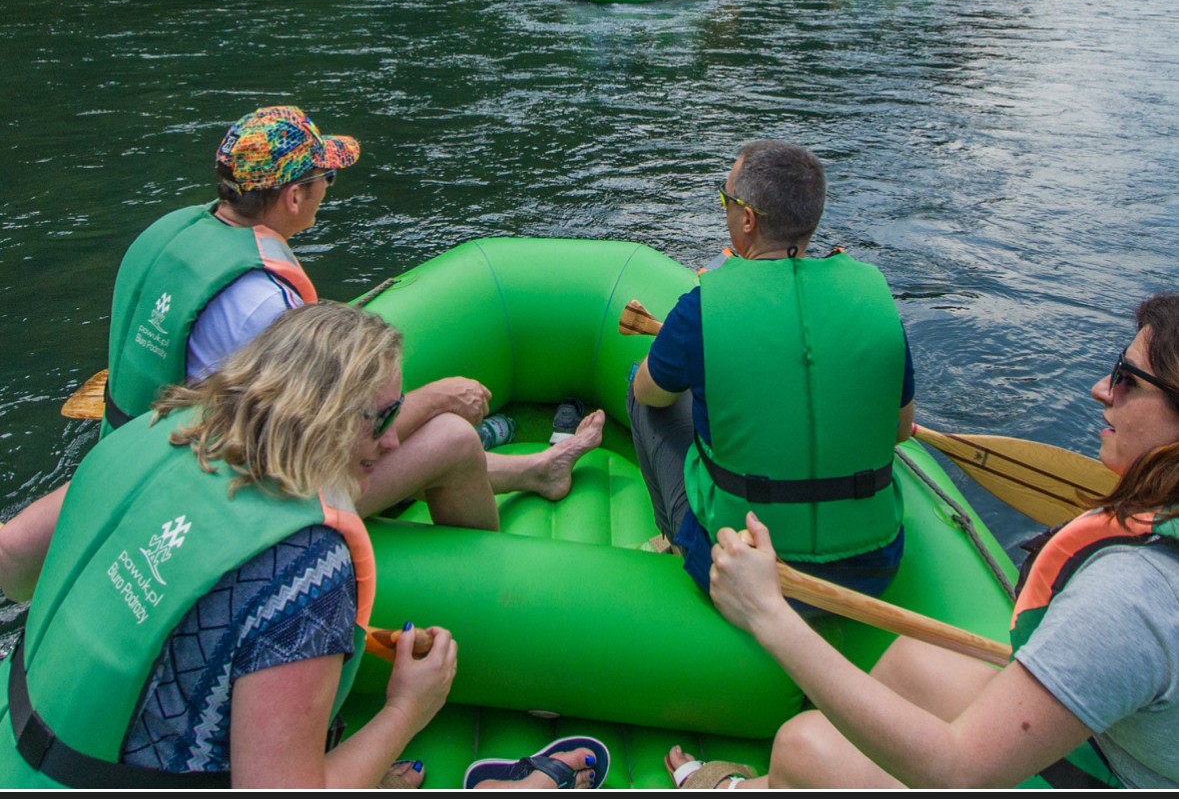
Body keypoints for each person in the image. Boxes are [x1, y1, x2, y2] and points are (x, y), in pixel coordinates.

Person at [0, 106, 605, 600]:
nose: (325, 192)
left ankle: (532, 470)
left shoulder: (175, 238)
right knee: (453, 437)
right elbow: (335, 450)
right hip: (244, 497)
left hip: (149, 454)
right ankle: (494, 602)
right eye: (324, 181)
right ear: (293, 197)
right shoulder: (266, 307)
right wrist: (436, 399)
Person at [0, 301, 604, 789]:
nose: (393, 442)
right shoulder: (304, 568)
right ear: (322, 420)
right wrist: (405, 711)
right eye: (380, 417)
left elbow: (14, 568)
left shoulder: (153, 436)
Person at [667, 293, 1179, 790]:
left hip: (1106, 775)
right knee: (914, 664)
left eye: (1128, 379)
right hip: (1116, 745)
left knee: (805, 746)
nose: (1101, 389)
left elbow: (957, 770)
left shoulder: (1133, 594)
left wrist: (767, 612)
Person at [627, 140, 915, 600]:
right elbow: (900, 431)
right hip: (873, 567)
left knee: (637, 388)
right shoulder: (874, 299)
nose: (724, 211)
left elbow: (649, 393)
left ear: (746, 219)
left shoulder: (703, 307)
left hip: (742, 566)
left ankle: (678, 539)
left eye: (725, 200)